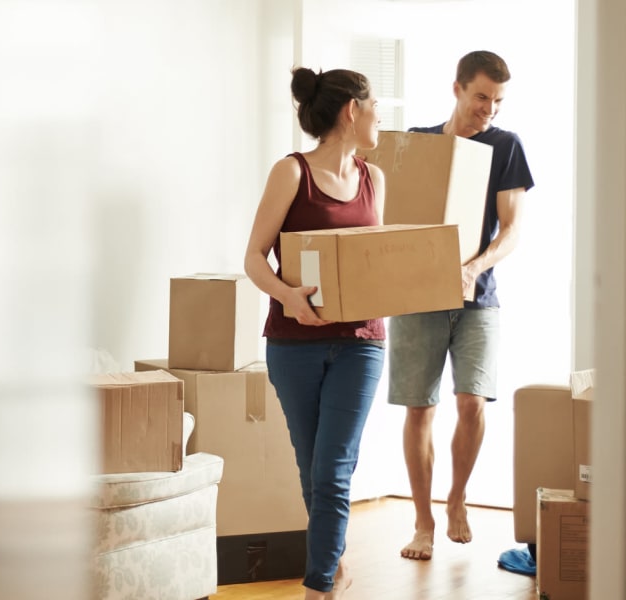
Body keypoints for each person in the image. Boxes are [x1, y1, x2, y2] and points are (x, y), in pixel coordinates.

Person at [243, 66, 384, 600]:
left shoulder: (375, 179)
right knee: (313, 468)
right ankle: (336, 559)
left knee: (333, 468)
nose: (380, 120)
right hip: (292, 344)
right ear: (352, 111)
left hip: (361, 345)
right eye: (375, 108)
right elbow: (255, 258)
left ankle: (318, 586)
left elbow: (371, 264)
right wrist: (289, 297)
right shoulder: (291, 173)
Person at [389, 50, 535, 561]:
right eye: (481, 98)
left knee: (472, 401)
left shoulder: (505, 146)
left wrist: (474, 267)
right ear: (456, 89)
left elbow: (513, 229)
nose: (489, 111)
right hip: (417, 297)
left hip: (478, 296)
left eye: (497, 101)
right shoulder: (419, 142)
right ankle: (423, 522)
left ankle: (457, 500)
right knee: (419, 408)